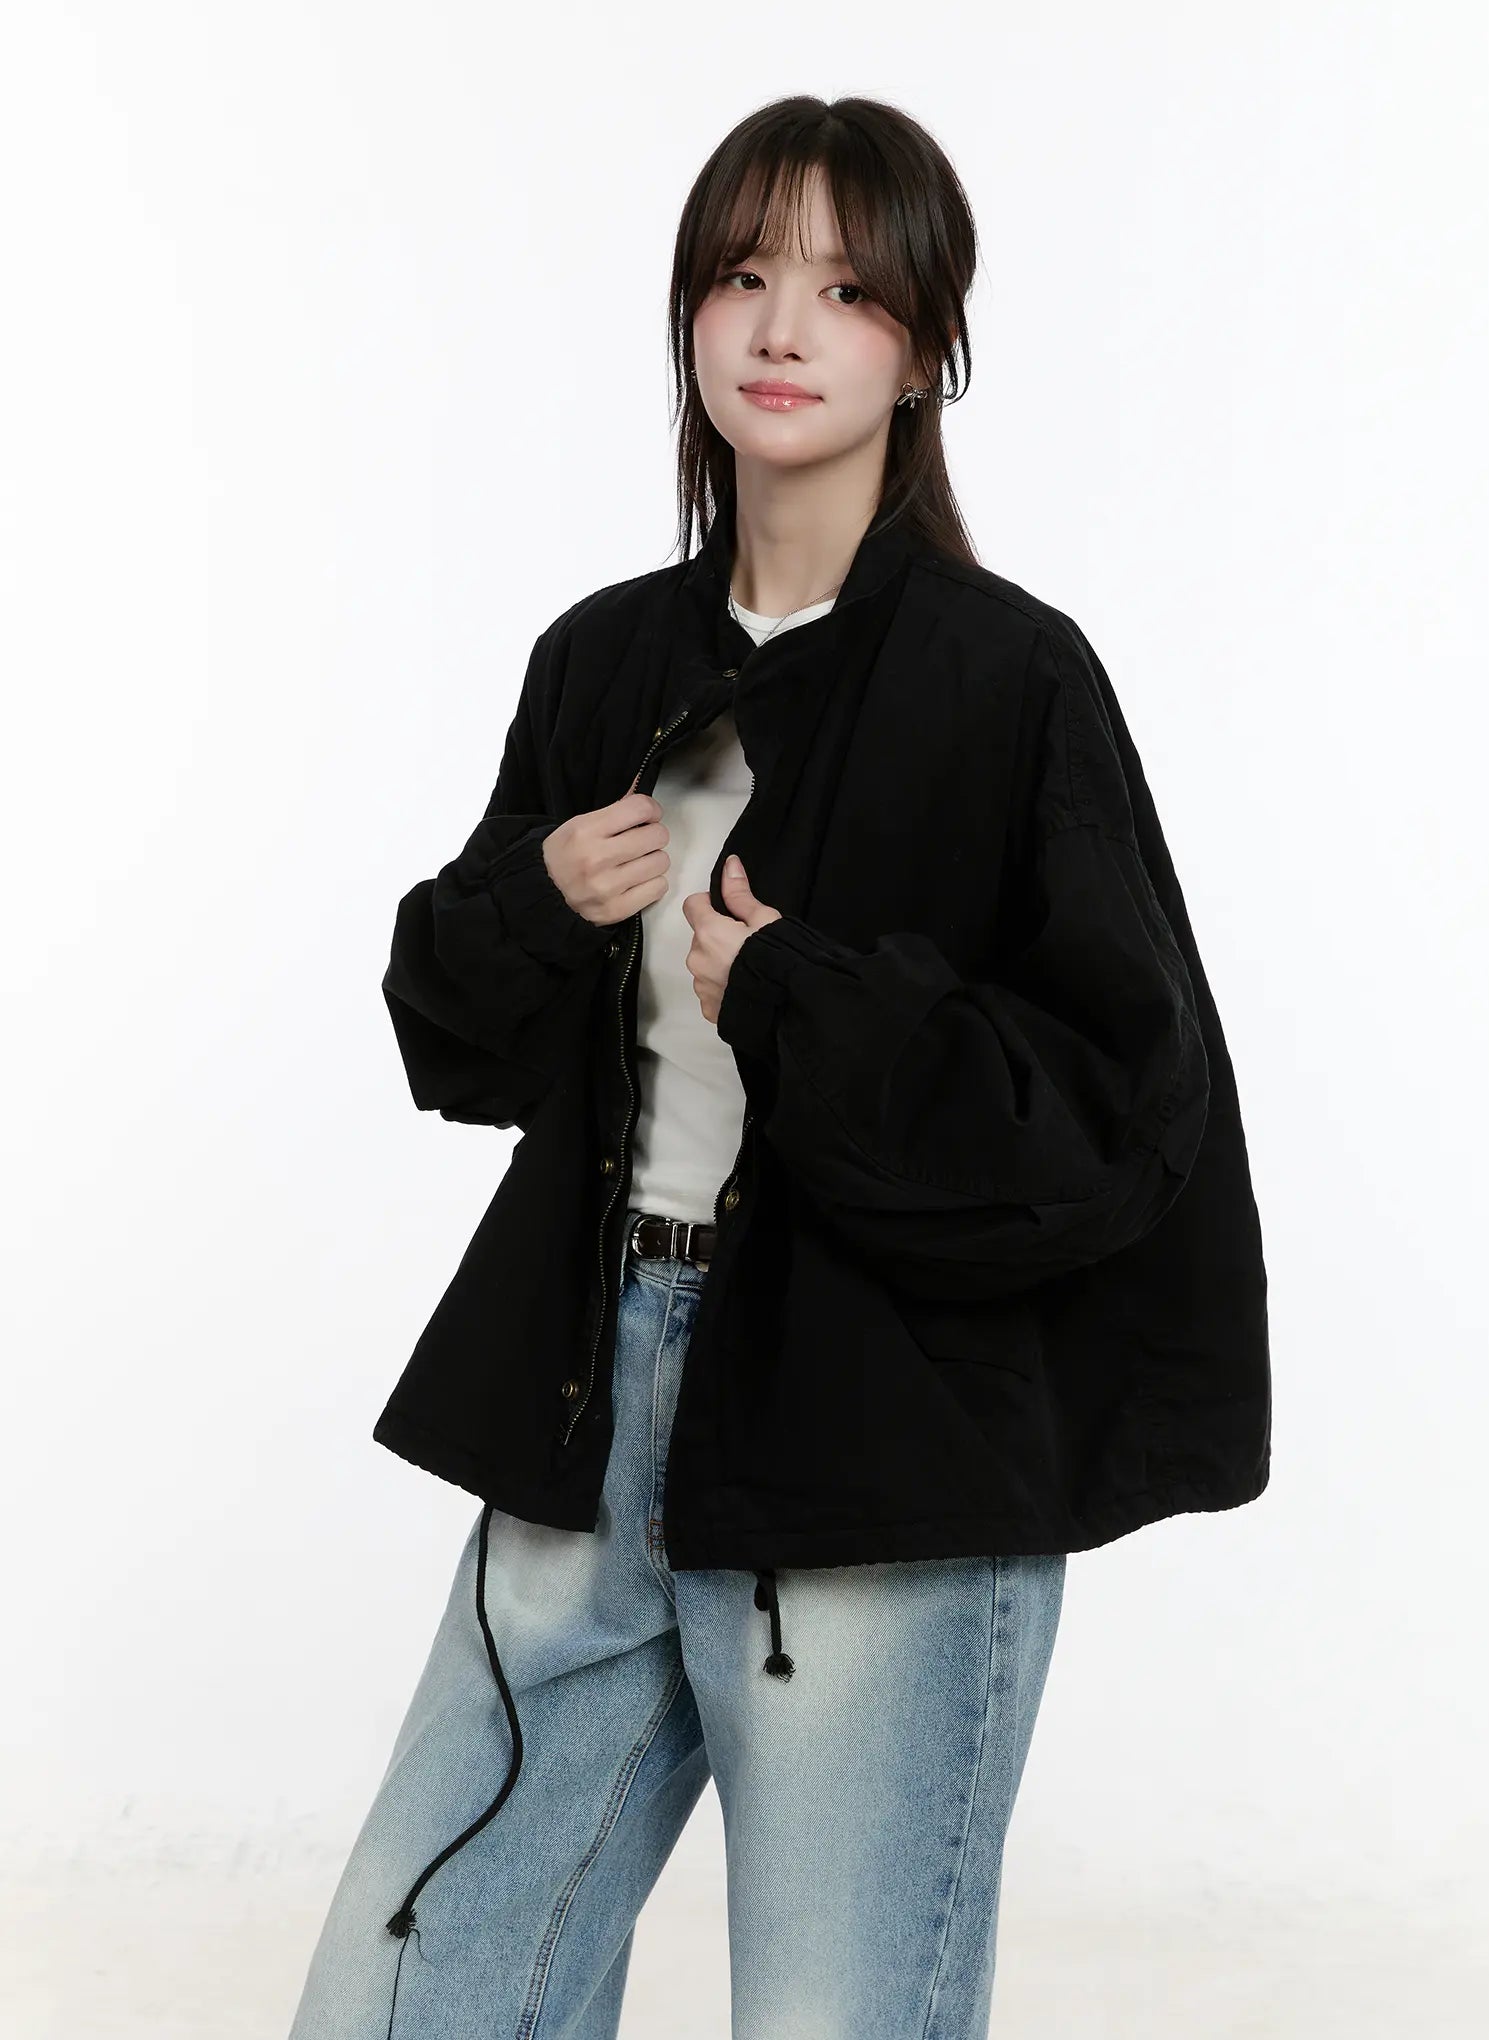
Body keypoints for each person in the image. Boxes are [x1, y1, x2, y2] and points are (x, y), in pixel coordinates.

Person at [288, 94, 1271, 2040]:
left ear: (924, 350)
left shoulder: (1013, 683)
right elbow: (456, 1048)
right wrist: (534, 906)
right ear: (689, 318)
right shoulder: (604, 663)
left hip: (881, 1469)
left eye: (845, 286)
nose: (783, 325)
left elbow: (1120, 1115)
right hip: (591, 1408)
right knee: (401, 1999)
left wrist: (801, 998)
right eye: (743, 276)